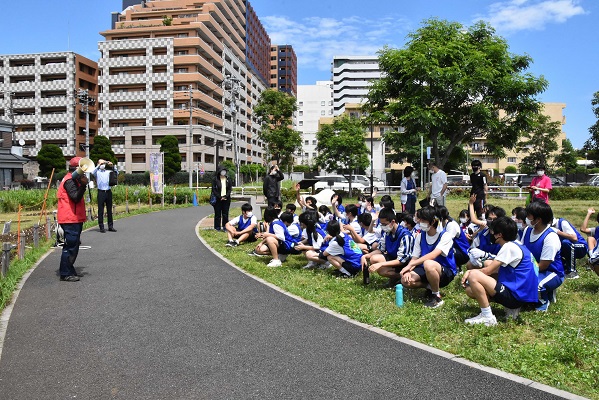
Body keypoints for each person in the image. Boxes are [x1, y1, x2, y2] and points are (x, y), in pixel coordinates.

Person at [461, 217, 539, 326]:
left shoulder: (508, 247)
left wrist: (468, 273)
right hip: (523, 294)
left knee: (474, 275)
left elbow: (487, 271)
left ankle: (487, 316)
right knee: (471, 289)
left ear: (499, 235)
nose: (491, 233)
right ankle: (510, 308)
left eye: (492, 231)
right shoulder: (517, 244)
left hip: (516, 296)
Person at [400, 206, 458, 308]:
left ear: (432, 222)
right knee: (405, 281)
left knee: (428, 264)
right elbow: (414, 257)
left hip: (445, 271)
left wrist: (411, 265)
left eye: (423, 220)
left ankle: (436, 296)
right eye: (419, 219)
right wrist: (408, 271)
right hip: (426, 269)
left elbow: (434, 254)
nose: (419, 222)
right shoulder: (421, 236)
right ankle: (430, 286)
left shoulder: (445, 236)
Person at [521, 201, 564, 312]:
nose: (526, 218)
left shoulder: (550, 237)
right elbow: (521, 251)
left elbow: (543, 266)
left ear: (538, 220)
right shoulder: (527, 230)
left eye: (529, 216)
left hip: (552, 272)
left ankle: (543, 303)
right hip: (533, 269)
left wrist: (524, 274)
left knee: (535, 284)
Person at [363, 208, 414, 287]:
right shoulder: (387, 233)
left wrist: (381, 264)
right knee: (374, 258)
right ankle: (394, 278)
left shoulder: (405, 236)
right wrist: (366, 256)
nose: (383, 227)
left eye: (384, 224)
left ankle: (401, 276)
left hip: (405, 263)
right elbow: (380, 250)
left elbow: (401, 260)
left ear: (392, 222)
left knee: (381, 269)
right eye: (381, 224)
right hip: (394, 258)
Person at [56, 157, 89, 282]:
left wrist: (82, 184)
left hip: (73, 217)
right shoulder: (69, 181)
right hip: (70, 218)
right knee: (70, 245)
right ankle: (65, 273)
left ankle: (69, 269)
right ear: (77, 169)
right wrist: (83, 185)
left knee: (73, 245)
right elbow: (75, 197)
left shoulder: (72, 179)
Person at [92, 158, 117, 233]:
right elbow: (92, 172)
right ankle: (101, 226)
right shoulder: (97, 172)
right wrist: (99, 164)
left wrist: (113, 166)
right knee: (101, 210)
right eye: (101, 164)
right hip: (101, 192)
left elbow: (116, 173)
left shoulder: (108, 171)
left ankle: (110, 226)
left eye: (103, 164)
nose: (103, 165)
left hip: (108, 191)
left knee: (109, 210)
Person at [211, 165, 232, 231]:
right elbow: (214, 190)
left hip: (226, 199)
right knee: (217, 214)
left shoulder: (228, 179)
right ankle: (217, 227)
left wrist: (226, 196)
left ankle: (225, 227)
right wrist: (220, 197)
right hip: (218, 199)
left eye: (224, 171)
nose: (223, 172)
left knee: (225, 214)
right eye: (222, 171)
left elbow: (229, 189)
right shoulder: (215, 179)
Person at [581, 207, 599, 277]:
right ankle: (592, 260)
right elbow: (583, 229)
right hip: (596, 255)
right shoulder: (597, 230)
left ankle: (592, 261)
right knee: (590, 238)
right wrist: (588, 214)